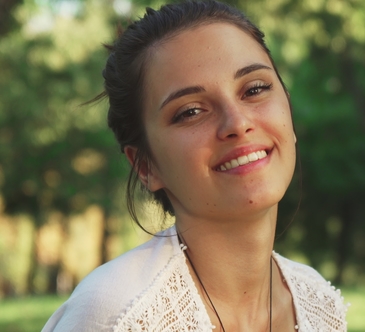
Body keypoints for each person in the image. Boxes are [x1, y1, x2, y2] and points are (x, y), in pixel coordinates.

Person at [42, 1, 348, 331]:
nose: (238, 122)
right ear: (146, 166)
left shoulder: (318, 303)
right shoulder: (119, 313)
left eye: (255, 89)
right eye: (190, 111)